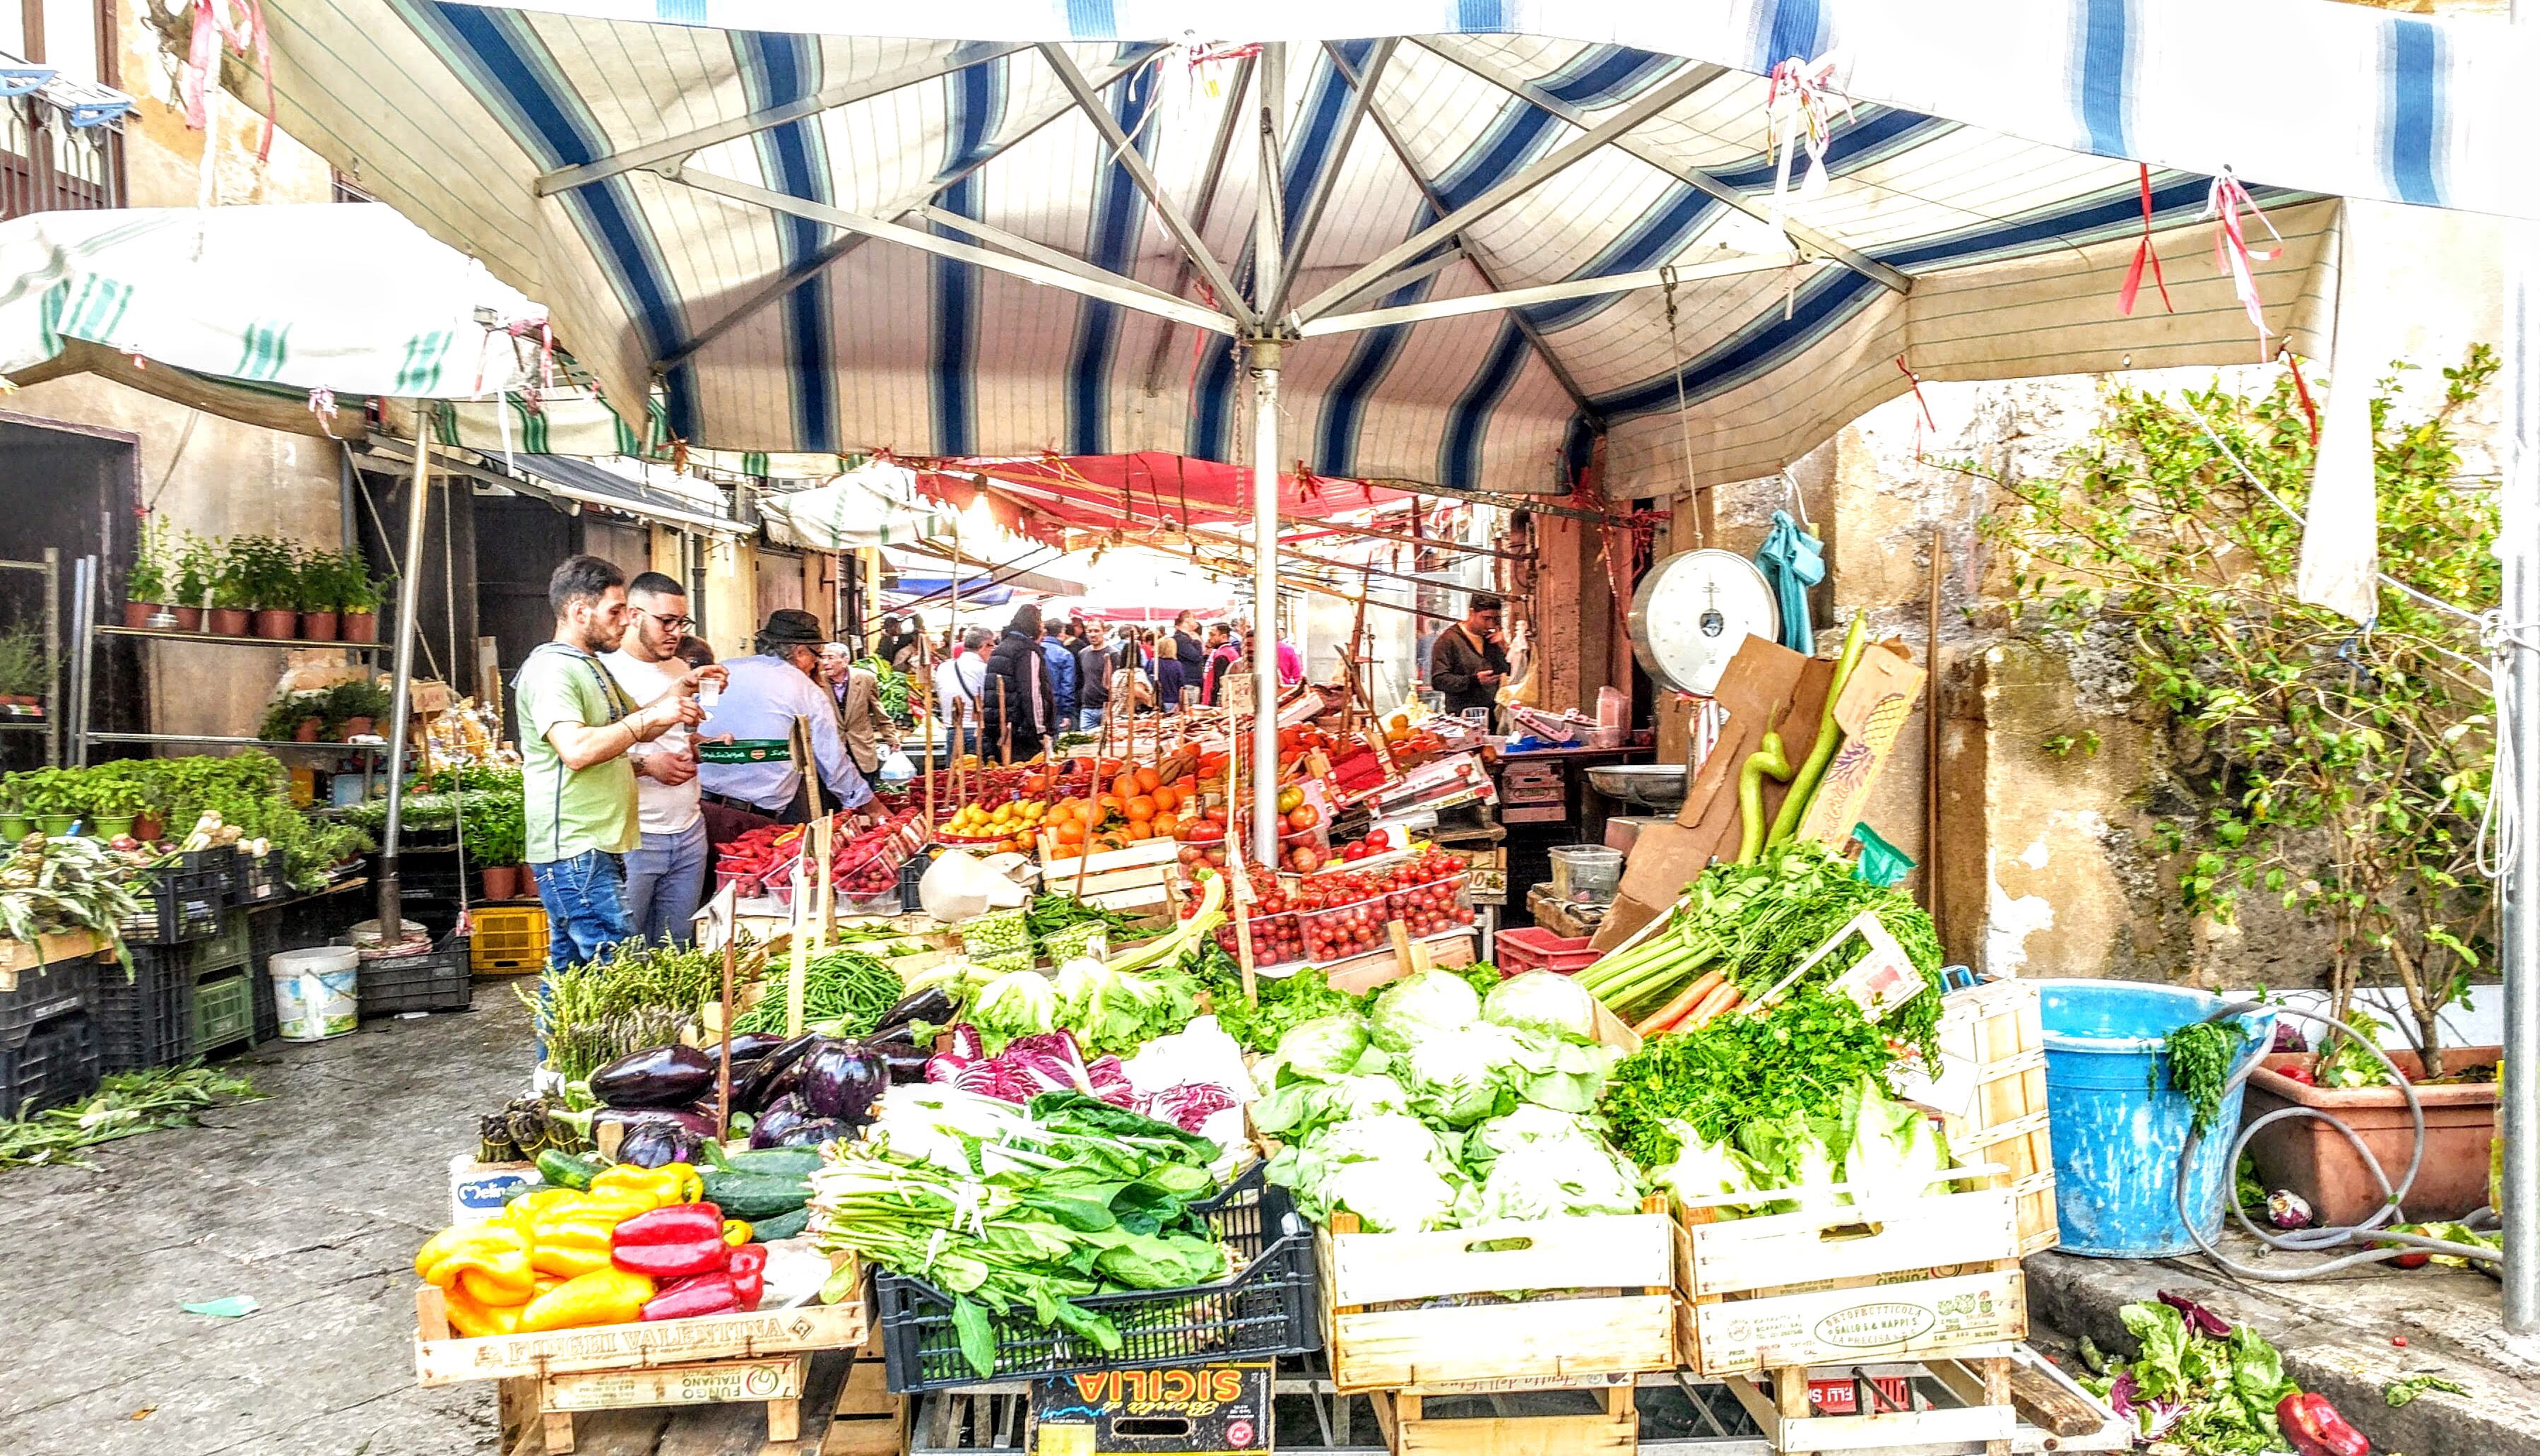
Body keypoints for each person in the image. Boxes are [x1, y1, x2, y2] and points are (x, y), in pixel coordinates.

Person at [516, 555, 719, 970]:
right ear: (578, 612)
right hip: (576, 846)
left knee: (570, 976)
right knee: (616, 971)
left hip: (599, 843)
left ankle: (558, 1037)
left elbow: (634, 724)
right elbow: (575, 750)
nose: (625, 621)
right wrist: (649, 720)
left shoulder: (589, 666)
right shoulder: (552, 670)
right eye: (615, 611)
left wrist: (680, 688)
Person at [600, 572, 711, 948]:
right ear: (633, 614)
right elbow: (590, 751)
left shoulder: (680, 668)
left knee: (677, 949)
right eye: (666, 621)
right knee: (623, 951)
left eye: (682, 622)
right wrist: (648, 766)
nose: (676, 632)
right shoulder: (606, 671)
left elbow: (675, 736)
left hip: (689, 829)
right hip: (634, 837)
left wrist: (701, 744)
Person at [697, 609, 873, 824]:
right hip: (752, 817)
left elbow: (690, 723)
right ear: (799, 652)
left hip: (698, 808)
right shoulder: (806, 690)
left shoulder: (724, 669)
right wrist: (867, 803)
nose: (815, 664)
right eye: (815, 655)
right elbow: (832, 761)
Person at [984, 603, 1057, 759]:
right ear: (1034, 626)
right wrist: (1041, 730)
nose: (1043, 630)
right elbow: (1032, 693)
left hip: (1000, 727)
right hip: (1021, 731)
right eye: (1040, 624)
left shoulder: (1001, 648)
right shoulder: (1026, 651)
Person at [1428, 593, 1512, 718]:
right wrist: (1474, 681)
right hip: (1464, 719)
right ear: (1472, 613)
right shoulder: (1448, 640)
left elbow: (1509, 673)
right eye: (1486, 618)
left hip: (1496, 718)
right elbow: (1439, 681)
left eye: (1495, 619)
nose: (1491, 625)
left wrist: (1505, 648)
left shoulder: (1492, 640)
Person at [934, 627, 989, 757]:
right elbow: (989, 700)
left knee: (953, 774)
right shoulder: (984, 669)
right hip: (976, 731)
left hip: (952, 731)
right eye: (992, 646)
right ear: (983, 646)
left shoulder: (943, 667)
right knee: (977, 774)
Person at [1040, 617, 1078, 733]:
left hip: (1038, 707)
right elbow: (1067, 686)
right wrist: (1067, 712)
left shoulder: (1035, 650)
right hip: (1058, 707)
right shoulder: (1065, 655)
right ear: (1062, 632)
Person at [1075, 627, 1112, 731]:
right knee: (1086, 745)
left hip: (1106, 707)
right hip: (1087, 708)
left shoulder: (1113, 653)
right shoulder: (1083, 653)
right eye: (1089, 631)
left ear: (1104, 631)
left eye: (1096, 631)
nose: (1093, 635)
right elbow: (1081, 679)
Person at [1200, 623, 1242, 705]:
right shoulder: (1229, 652)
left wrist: (1213, 702)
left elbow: (1218, 683)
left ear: (1223, 636)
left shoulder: (1223, 655)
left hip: (1219, 701)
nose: (1209, 638)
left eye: (1212, 635)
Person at [1170, 611, 1207, 704]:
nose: (1196, 622)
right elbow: (1196, 657)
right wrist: (1197, 642)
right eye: (1194, 619)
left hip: (1190, 681)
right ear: (1187, 620)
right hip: (1189, 682)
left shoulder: (1184, 638)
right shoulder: (1181, 639)